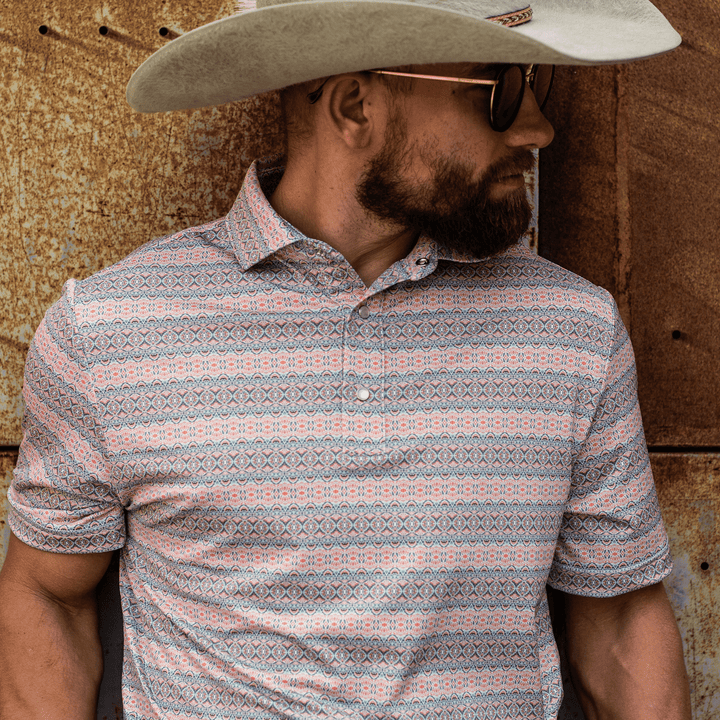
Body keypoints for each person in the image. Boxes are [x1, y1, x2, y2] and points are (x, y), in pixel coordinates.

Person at [0, 1, 692, 719]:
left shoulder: (573, 331)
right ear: (356, 106)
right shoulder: (110, 329)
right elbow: (46, 590)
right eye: (499, 91)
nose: (537, 130)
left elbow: (618, 622)